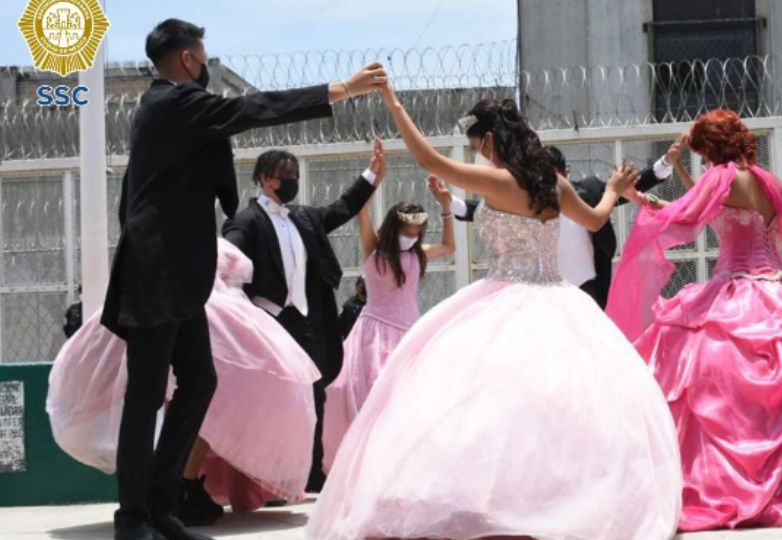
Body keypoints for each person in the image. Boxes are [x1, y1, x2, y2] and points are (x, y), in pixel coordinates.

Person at [306, 89, 683, 539]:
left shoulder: (499, 181)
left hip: (506, 295)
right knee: (553, 405)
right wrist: (615, 191)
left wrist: (393, 103)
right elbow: (597, 220)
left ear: (488, 141)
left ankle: (506, 502)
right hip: (558, 298)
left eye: (475, 144)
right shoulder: (550, 181)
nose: (474, 153)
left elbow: (429, 160)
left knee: (488, 403)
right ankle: (553, 498)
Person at [97, 18, 384, 540]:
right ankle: (133, 518)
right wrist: (341, 89)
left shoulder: (175, 113)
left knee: (200, 381)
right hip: (156, 274)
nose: (206, 64)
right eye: (203, 55)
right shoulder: (171, 103)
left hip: (181, 276)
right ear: (188, 59)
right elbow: (252, 109)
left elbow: (140, 191)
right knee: (143, 397)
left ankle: (162, 506)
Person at [606, 110, 782, 531]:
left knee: (707, 379)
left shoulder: (720, 178)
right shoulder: (766, 179)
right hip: (779, 289)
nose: (701, 159)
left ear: (713, 148)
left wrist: (633, 199)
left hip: (736, 286)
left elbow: (683, 218)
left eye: (701, 151)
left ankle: (731, 482)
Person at [49, 240, 321, 528]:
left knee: (177, 398)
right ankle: (176, 485)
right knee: (190, 401)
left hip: (164, 307)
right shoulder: (208, 250)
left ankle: (167, 489)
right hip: (190, 311)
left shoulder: (168, 236)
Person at [222, 143, 384, 493]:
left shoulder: (304, 217)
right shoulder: (246, 220)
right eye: (286, 177)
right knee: (274, 399)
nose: (292, 182)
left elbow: (342, 208)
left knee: (315, 394)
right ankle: (268, 474)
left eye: (295, 176)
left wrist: (371, 177)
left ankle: (311, 471)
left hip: (306, 322)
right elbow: (230, 257)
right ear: (266, 179)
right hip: (269, 322)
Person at [322, 176, 455, 471]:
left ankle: (403, 464)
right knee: (365, 394)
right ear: (396, 227)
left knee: (409, 400)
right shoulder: (375, 250)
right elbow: (362, 213)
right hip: (373, 334)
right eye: (409, 227)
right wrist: (372, 182)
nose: (414, 233)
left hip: (409, 333)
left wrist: (446, 208)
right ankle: (367, 464)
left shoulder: (419, 255)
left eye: (418, 229)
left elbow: (448, 245)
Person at [451, 146, 673, 308]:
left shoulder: (590, 190)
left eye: (555, 177)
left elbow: (624, 189)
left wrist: (662, 165)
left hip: (588, 286)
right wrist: (452, 204)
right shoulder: (529, 200)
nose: (552, 186)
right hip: (544, 291)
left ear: (566, 173)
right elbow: (487, 208)